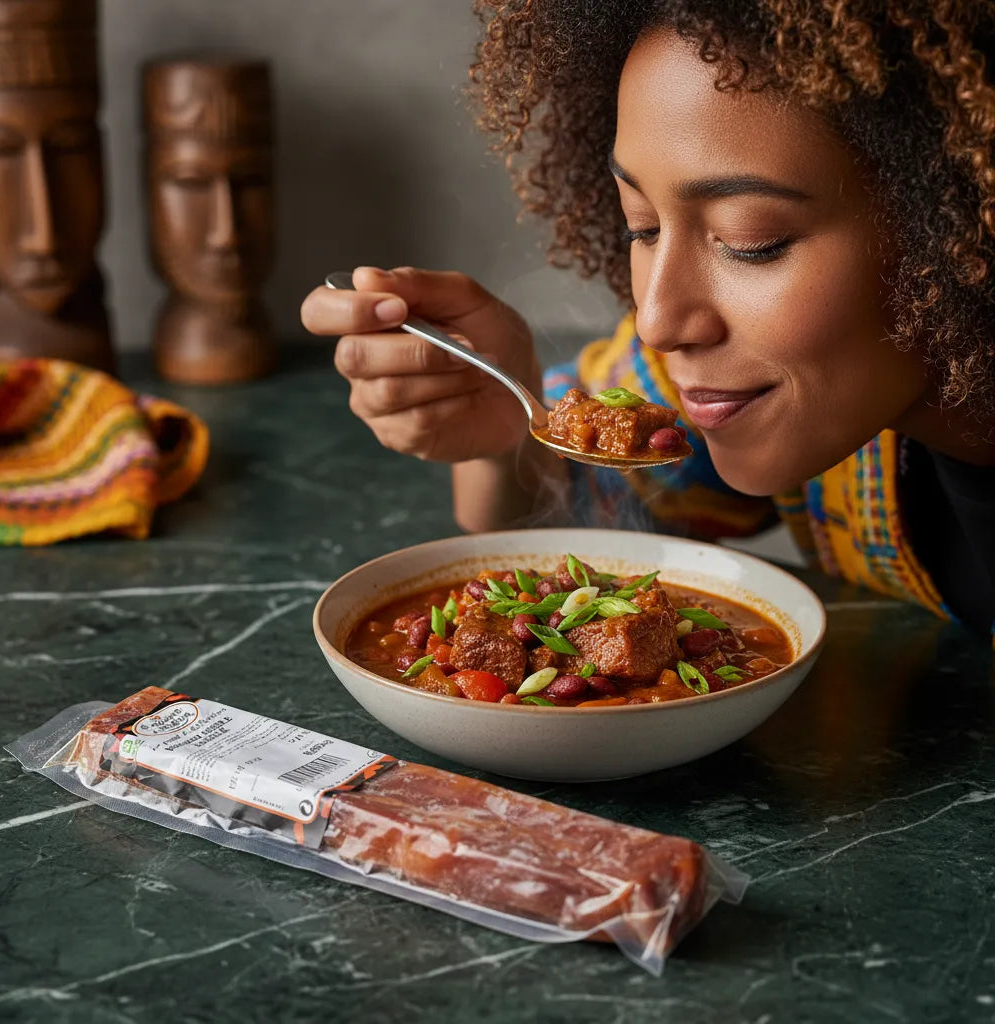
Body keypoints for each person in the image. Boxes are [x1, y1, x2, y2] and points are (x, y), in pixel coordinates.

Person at [301, 0, 995, 638]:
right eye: (643, 227)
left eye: (749, 240)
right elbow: (579, 510)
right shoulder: (731, 379)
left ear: (961, 217)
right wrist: (506, 431)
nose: (659, 320)